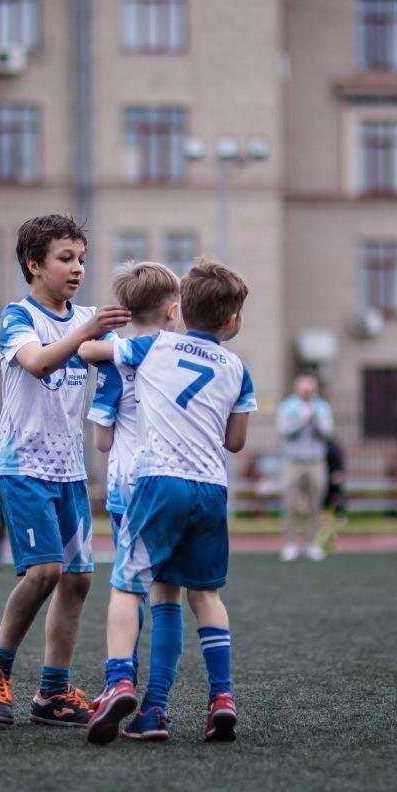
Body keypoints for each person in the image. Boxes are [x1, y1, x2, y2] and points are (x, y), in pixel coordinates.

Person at [79, 259, 256, 745]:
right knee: (204, 595)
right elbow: (236, 442)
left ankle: (119, 681)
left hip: (159, 482)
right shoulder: (238, 369)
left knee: (126, 585)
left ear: (181, 309)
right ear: (232, 320)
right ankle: (219, 697)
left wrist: (96, 336)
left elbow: (92, 351)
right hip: (211, 488)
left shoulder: (152, 346)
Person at [0, 214, 130, 728]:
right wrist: (88, 333)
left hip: (70, 472)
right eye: (65, 258)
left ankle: (53, 693)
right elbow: (38, 363)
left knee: (78, 580)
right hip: (23, 467)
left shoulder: (88, 319)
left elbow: (119, 357)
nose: (78, 268)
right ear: (34, 264)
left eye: (81, 258)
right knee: (45, 572)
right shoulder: (18, 317)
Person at [86, 261, 184, 689]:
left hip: (126, 488)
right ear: (172, 310)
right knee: (168, 593)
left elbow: (101, 441)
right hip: (174, 482)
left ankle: (121, 680)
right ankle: (157, 700)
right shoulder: (181, 355)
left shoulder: (113, 360)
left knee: (129, 587)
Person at [275, 374, 333, 562]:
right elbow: (283, 431)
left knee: (316, 503)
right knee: (290, 503)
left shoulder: (323, 407)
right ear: (297, 389)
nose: (307, 392)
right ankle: (290, 544)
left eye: (310, 389)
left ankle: (312, 544)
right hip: (293, 462)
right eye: (303, 389)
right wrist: (302, 421)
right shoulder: (287, 406)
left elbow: (328, 433)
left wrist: (315, 420)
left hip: (316, 462)